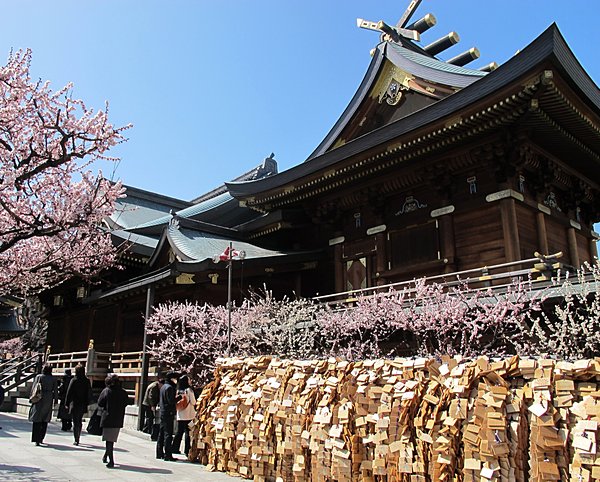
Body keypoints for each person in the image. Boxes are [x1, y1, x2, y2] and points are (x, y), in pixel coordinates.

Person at [97, 373, 132, 468]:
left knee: (109, 441)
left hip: (108, 418)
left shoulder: (107, 391)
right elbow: (126, 402)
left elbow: (100, 403)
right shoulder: (123, 392)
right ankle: (105, 456)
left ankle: (111, 461)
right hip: (118, 418)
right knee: (111, 439)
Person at [29, 364, 58, 446]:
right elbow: (55, 390)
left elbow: (34, 388)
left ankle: (36, 439)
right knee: (45, 418)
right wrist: (55, 399)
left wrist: (31, 397)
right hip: (48, 398)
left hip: (39, 397)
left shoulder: (39, 377)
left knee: (37, 418)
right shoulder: (53, 379)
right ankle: (41, 437)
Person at [65, 364, 92, 445]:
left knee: (75, 421)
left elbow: (69, 392)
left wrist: (66, 403)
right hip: (83, 403)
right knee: (79, 420)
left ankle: (76, 438)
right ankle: (78, 435)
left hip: (74, 403)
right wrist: (88, 402)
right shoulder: (86, 380)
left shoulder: (74, 380)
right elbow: (89, 392)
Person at [156, 371, 179, 461]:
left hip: (163, 412)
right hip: (168, 412)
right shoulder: (169, 388)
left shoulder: (163, 387)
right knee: (168, 434)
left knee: (161, 433)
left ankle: (159, 452)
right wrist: (179, 398)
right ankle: (168, 455)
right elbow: (171, 401)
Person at [172, 375, 196, 457]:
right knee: (188, 433)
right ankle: (187, 450)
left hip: (180, 414)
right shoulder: (189, 390)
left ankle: (174, 447)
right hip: (188, 415)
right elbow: (193, 402)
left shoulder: (178, 390)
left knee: (178, 432)